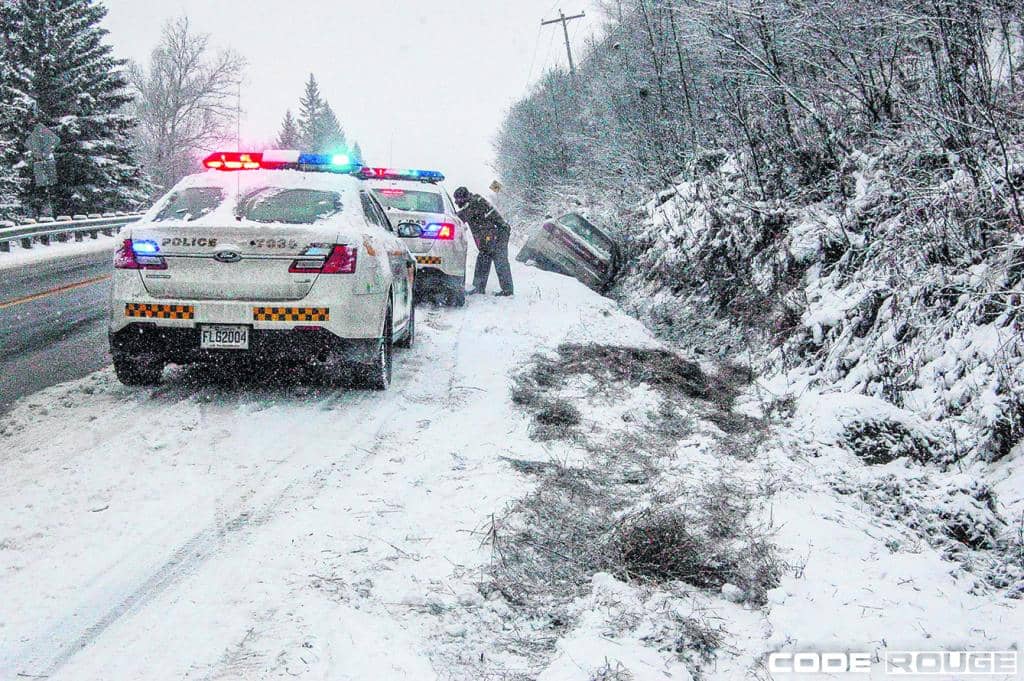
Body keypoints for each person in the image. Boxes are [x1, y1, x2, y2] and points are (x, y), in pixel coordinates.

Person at [453, 186, 514, 297]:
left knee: (499, 260)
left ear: (464, 197)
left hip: (499, 233)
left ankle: (507, 291)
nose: (456, 202)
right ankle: (479, 287)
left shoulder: (475, 203)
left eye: (458, 199)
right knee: (484, 258)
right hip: (494, 234)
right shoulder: (474, 202)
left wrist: (448, 217)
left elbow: (460, 217)